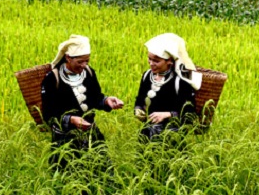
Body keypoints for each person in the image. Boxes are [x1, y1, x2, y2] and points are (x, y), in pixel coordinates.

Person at [40, 35, 124, 169]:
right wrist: (71, 120)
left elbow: (95, 98)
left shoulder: (89, 73)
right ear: (68, 58)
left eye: (87, 61)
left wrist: (107, 101)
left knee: (102, 171)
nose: (84, 65)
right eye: (80, 62)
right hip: (65, 140)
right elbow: (48, 114)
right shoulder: (52, 79)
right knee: (68, 175)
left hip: (90, 133)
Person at [133, 33, 202, 142]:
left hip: (172, 138)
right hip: (147, 135)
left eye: (156, 61)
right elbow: (140, 98)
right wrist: (138, 109)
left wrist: (168, 114)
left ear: (169, 61)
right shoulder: (147, 76)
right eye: (149, 59)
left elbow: (189, 113)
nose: (151, 64)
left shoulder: (180, 82)